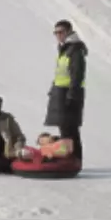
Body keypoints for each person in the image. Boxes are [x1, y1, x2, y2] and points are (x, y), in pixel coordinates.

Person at [46, 19, 88, 160]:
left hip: (69, 93)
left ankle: (75, 159)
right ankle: (68, 158)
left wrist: (72, 95)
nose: (58, 35)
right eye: (56, 33)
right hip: (60, 93)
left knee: (70, 129)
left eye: (61, 32)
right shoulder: (64, 49)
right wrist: (53, 90)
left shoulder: (74, 50)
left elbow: (77, 75)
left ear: (68, 32)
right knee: (64, 128)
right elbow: (61, 73)